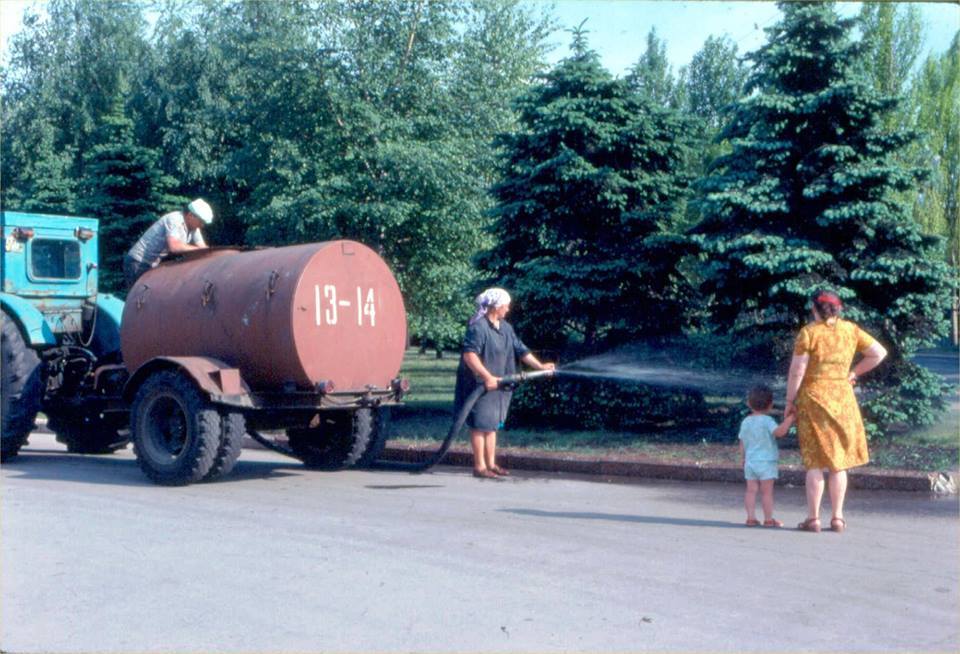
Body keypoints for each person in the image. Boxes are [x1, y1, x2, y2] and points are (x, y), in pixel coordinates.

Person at [785, 289, 887, 533]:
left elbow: (798, 371)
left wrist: (790, 400)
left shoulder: (809, 333)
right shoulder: (850, 330)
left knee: (815, 461)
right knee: (838, 462)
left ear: (814, 309)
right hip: (843, 398)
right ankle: (838, 518)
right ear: (838, 309)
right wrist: (853, 373)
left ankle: (813, 519)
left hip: (813, 399)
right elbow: (879, 353)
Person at [453, 288, 555, 479]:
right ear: (496, 306)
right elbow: (470, 356)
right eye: (506, 306)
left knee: (491, 425)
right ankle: (479, 466)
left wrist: (540, 366)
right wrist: (487, 377)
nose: (508, 309)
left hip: (499, 384)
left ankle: (491, 464)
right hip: (479, 385)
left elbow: (521, 350)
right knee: (479, 424)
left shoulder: (505, 328)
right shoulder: (478, 327)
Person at [124, 198, 214, 289]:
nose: (202, 225)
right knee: (139, 298)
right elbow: (174, 246)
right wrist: (200, 250)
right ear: (190, 215)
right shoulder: (174, 220)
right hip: (137, 262)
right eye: (201, 221)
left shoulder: (194, 227)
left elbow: (203, 248)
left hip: (151, 264)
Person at [739, 384, 793, 528]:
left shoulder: (746, 421)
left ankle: (750, 518)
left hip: (750, 462)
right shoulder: (767, 421)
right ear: (770, 405)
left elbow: (742, 441)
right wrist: (789, 420)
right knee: (766, 492)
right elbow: (779, 433)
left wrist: (743, 458)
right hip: (766, 462)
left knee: (751, 491)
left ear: (749, 403)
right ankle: (768, 519)